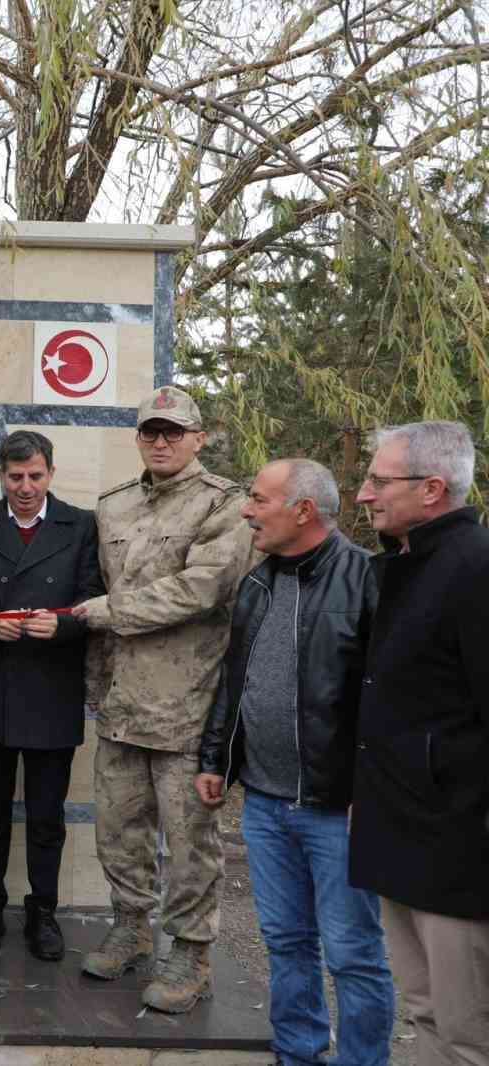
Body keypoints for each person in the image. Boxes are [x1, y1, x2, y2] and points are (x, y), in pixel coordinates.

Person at [195, 458, 393, 1066]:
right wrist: (215, 758)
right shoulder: (257, 583)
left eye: (258, 499)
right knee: (284, 941)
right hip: (264, 802)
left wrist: (375, 788)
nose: (247, 510)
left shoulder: (368, 581)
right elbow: (235, 682)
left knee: (353, 952)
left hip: (338, 809)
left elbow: (387, 698)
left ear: (302, 510)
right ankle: (298, 1053)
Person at [70, 384, 254, 1013]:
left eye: (175, 431)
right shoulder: (113, 506)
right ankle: (129, 924)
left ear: (198, 438)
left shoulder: (225, 506)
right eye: (151, 431)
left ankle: (191, 953)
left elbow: (201, 590)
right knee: (119, 829)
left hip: (187, 707)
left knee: (190, 840)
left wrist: (110, 612)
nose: (162, 441)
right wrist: (96, 686)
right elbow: (101, 589)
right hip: (123, 703)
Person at [349, 421, 489, 1066]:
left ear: (433, 488)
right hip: (399, 834)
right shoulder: (403, 567)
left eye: (379, 481)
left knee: (468, 1031)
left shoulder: (474, 568)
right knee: (427, 1011)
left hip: (458, 850)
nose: (363, 494)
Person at [0, 431, 104, 961]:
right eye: (15, 476)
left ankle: (43, 912)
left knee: (46, 817)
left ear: (50, 474)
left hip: (51, 687)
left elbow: (92, 595)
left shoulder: (80, 524)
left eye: (35, 476)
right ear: (2, 475)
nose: (25, 487)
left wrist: (62, 624)